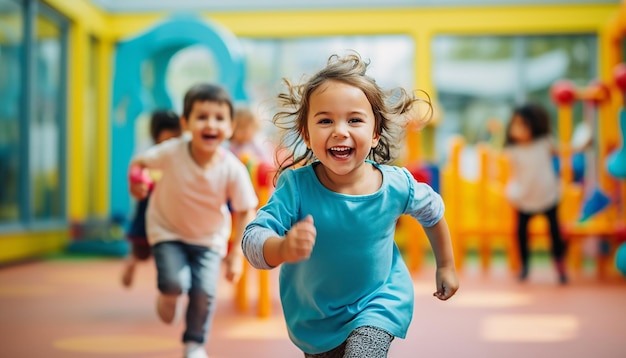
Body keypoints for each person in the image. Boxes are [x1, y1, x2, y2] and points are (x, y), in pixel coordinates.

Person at [242, 53, 459, 357]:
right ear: (306, 133)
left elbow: (433, 212)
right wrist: (281, 248)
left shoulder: (396, 185)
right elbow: (252, 238)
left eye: (354, 120)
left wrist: (446, 265)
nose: (340, 130)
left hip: (379, 301)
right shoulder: (296, 188)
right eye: (325, 120)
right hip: (315, 317)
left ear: (375, 133)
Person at [128, 83, 259, 358]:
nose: (210, 124)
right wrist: (137, 183)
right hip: (167, 230)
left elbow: (246, 209)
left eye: (219, 118)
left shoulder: (232, 167)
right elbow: (139, 162)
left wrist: (236, 254)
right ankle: (168, 294)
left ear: (231, 126)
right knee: (174, 282)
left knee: (204, 292)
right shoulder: (172, 151)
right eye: (202, 117)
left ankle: (194, 343)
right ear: (186, 123)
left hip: (209, 239)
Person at [503, 103, 568, 284]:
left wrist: (581, 146)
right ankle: (524, 267)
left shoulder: (544, 142)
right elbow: (510, 171)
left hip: (547, 195)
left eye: (522, 125)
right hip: (525, 197)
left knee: (555, 232)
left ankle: (560, 265)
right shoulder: (513, 149)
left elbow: (563, 150)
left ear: (533, 125)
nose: (517, 129)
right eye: (514, 125)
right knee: (521, 233)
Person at [122, 109, 182, 288]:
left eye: (174, 140)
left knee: (169, 245)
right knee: (141, 248)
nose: (169, 145)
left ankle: (169, 271)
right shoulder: (148, 150)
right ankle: (132, 262)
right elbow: (136, 168)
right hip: (149, 200)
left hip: (171, 204)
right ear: (156, 136)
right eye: (165, 141)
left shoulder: (180, 149)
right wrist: (141, 180)